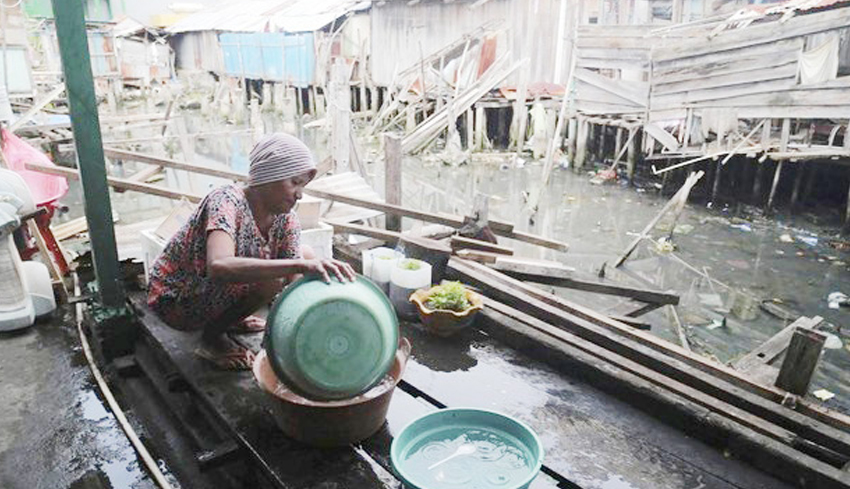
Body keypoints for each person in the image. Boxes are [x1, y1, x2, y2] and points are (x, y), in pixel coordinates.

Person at [147, 133, 356, 370]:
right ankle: (211, 339)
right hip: (176, 298)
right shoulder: (226, 201)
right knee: (277, 276)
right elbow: (219, 266)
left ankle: (229, 318)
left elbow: (294, 283)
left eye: (302, 186)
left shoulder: (285, 219)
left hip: (209, 292)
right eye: (294, 183)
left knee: (305, 254)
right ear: (269, 176)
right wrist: (299, 266)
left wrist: (301, 329)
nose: (299, 194)